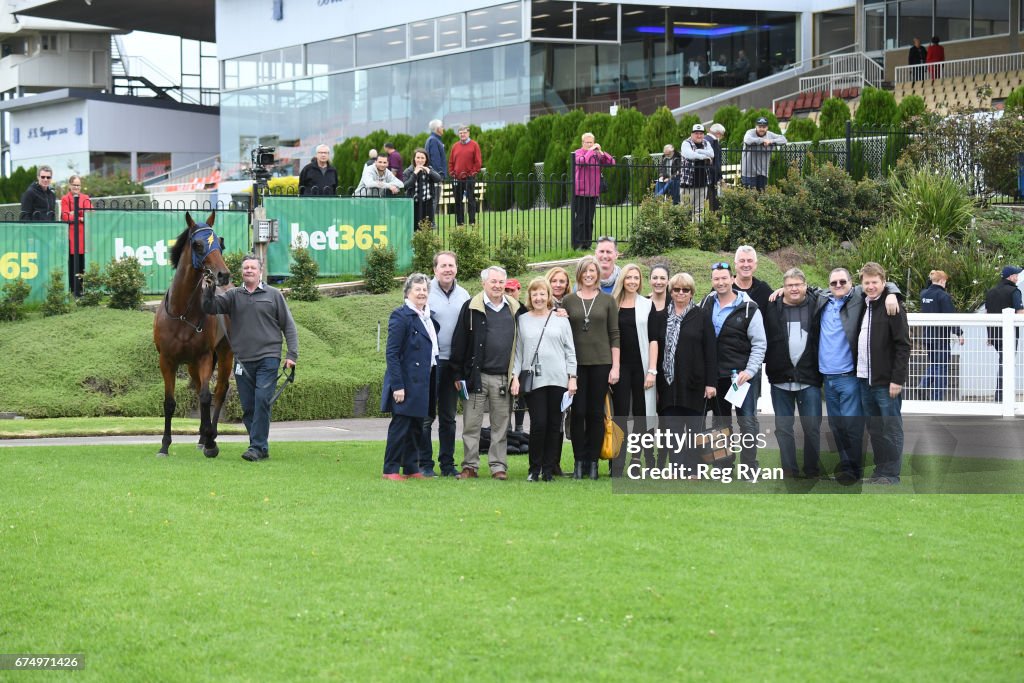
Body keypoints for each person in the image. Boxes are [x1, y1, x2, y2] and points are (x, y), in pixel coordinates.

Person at [201, 254, 298, 462]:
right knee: (248, 407)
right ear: (242, 272)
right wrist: (208, 291)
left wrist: (292, 354)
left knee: (262, 400)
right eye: (245, 268)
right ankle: (261, 446)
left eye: (253, 267)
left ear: (260, 271)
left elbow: (288, 326)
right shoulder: (234, 295)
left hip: (268, 357)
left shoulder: (274, 295)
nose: (249, 271)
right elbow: (210, 308)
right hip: (243, 361)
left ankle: (256, 447)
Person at [811, 268, 900, 483]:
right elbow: (801, 288)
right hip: (827, 378)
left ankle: (856, 472)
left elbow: (880, 284)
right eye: (834, 282)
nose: (839, 285)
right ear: (828, 285)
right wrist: (778, 290)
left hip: (849, 376)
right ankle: (847, 469)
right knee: (837, 426)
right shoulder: (823, 298)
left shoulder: (859, 296)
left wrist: (893, 293)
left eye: (843, 281)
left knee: (853, 426)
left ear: (851, 283)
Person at [450, 266, 522, 480]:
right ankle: (470, 466)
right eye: (493, 282)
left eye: (501, 282)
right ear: (484, 283)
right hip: (476, 378)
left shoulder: (516, 308)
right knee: (471, 424)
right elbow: (459, 341)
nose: (498, 286)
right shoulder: (470, 307)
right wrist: (457, 374)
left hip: (503, 378)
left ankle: (498, 466)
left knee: (501, 426)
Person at [701, 262, 766, 477]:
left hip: (741, 378)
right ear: (712, 281)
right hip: (716, 376)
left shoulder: (749, 308)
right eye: (716, 279)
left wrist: (750, 370)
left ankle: (749, 467)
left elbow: (759, 343)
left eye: (724, 278)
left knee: (747, 422)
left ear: (732, 279)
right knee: (720, 424)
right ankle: (724, 467)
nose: (720, 282)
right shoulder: (706, 304)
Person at [511, 277, 578, 481]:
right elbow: (518, 352)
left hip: (558, 379)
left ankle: (548, 469)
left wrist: (572, 377)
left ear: (548, 296)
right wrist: (515, 377)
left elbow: (570, 351)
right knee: (539, 423)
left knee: (553, 423)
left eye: (542, 293)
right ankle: (534, 468)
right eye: (535, 294)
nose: (539, 298)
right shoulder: (522, 320)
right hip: (534, 380)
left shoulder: (560, 318)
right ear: (530, 296)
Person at [649, 272, 717, 466]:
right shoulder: (661, 317)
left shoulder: (701, 316)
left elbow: (710, 352)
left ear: (691, 292)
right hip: (668, 384)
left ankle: (693, 469)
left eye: (685, 290)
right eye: (676, 289)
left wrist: (711, 383)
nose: (680, 293)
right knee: (672, 430)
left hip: (694, 382)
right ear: (671, 292)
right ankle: (676, 466)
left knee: (695, 430)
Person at [563, 255, 620, 479]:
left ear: (598, 275)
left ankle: (593, 462)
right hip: (575, 365)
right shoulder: (568, 300)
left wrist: (615, 367)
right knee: (578, 413)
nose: (589, 275)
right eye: (585, 271)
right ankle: (579, 461)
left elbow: (615, 335)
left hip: (601, 363)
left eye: (593, 271)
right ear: (579, 274)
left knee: (596, 414)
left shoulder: (607, 301)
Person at [763, 268, 823, 479]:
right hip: (780, 379)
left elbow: (842, 289)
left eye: (798, 284)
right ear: (783, 287)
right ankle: (789, 470)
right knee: (783, 427)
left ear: (806, 286)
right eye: (789, 285)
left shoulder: (818, 303)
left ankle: (812, 470)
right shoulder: (771, 305)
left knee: (812, 428)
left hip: (809, 378)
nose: (794, 289)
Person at [856, 262, 911, 485]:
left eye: (875, 282)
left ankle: (891, 474)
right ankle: (880, 471)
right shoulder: (860, 304)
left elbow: (903, 345)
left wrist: (897, 379)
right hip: (864, 380)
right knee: (876, 429)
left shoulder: (892, 306)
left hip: (886, 382)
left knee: (891, 428)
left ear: (883, 281)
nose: (870, 286)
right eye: (866, 282)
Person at [381, 273, 439, 480]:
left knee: (417, 426)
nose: (422, 292)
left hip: (425, 379)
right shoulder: (401, 316)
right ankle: (390, 469)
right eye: (418, 289)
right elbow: (392, 353)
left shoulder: (428, 317)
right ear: (408, 293)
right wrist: (397, 385)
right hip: (406, 381)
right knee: (401, 426)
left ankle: (411, 467)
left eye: (425, 289)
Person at [421, 251, 471, 477]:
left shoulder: (464, 295)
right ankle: (424, 464)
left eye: (451, 265)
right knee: (427, 416)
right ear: (435, 270)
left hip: (454, 364)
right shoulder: (425, 292)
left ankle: (448, 465)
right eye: (443, 266)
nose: (448, 269)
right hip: (431, 362)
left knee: (449, 417)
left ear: (456, 269)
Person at [610, 264, 658, 470]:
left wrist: (652, 371)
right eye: (628, 277)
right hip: (620, 367)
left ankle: (638, 459)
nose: (632, 281)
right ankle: (618, 462)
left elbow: (654, 340)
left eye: (636, 278)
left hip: (642, 366)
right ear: (622, 279)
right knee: (619, 414)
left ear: (640, 281)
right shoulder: (613, 304)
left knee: (642, 415)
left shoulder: (647, 305)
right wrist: (613, 367)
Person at [919, 270, 964, 401]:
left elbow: (928, 288)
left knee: (934, 364)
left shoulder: (924, 294)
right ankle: (937, 398)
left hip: (927, 336)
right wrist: (959, 333)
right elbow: (950, 316)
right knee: (942, 367)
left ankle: (923, 386)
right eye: (945, 281)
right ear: (942, 281)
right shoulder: (943, 296)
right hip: (940, 337)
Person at [984, 265, 1024, 403]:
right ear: (1011, 276)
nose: (1018, 277)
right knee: (1006, 363)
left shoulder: (991, 291)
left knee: (1003, 361)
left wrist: (989, 335)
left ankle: (1000, 395)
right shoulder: (1014, 291)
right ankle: (1002, 396)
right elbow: (1020, 313)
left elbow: (987, 314)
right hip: (1009, 335)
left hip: (994, 333)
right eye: (1016, 275)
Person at [571, 132, 615, 250]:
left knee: (589, 220)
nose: (590, 144)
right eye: (587, 142)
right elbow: (582, 161)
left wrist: (601, 152)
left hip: (593, 192)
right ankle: (578, 244)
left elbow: (611, 163)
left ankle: (587, 244)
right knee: (580, 219)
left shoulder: (596, 155)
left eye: (591, 142)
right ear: (583, 143)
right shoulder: (577, 153)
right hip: (580, 191)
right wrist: (591, 151)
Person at [60, 174, 92, 295]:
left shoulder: (85, 197)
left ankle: (83, 290)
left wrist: (75, 214)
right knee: (73, 263)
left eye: (78, 185)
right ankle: (74, 290)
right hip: (72, 237)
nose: (76, 187)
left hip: (84, 237)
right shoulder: (65, 199)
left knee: (84, 263)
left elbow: (90, 214)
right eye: (74, 185)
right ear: (70, 185)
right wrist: (81, 217)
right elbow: (65, 216)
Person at [680, 124, 715, 223]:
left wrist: (698, 151)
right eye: (696, 133)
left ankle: (697, 234)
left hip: (702, 183)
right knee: (685, 211)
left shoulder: (706, 142)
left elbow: (712, 154)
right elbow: (690, 155)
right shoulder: (686, 143)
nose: (699, 136)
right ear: (691, 134)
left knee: (699, 211)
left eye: (701, 133)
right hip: (688, 184)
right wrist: (704, 156)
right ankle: (684, 235)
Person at [448, 125, 481, 226]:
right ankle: (460, 221)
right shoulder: (455, 146)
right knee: (458, 200)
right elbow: (451, 162)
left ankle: (472, 221)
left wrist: (473, 173)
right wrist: (452, 173)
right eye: (460, 133)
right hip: (457, 178)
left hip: (469, 177)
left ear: (468, 133)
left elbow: (478, 162)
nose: (462, 134)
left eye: (464, 132)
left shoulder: (474, 145)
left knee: (470, 199)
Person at [505, 278, 527, 434]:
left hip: (522, 356)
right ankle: (507, 426)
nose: (510, 293)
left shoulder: (524, 310)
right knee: (504, 394)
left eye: (512, 290)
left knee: (520, 393)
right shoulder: (500, 308)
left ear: (519, 290)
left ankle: (519, 426)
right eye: (507, 290)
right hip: (504, 356)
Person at [741, 117, 786, 192]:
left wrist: (771, 141)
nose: (762, 129)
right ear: (756, 126)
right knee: (749, 197)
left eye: (764, 127)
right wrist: (763, 141)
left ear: (767, 127)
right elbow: (747, 140)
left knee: (761, 196)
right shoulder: (750, 132)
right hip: (748, 172)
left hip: (763, 172)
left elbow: (784, 139)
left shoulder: (770, 135)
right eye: (759, 127)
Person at [403, 148, 442, 230]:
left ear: (426, 160)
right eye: (418, 157)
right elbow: (405, 186)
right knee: (414, 228)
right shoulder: (408, 171)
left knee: (427, 228)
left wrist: (429, 171)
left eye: (422, 158)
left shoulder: (429, 169)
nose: (420, 160)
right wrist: (414, 174)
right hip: (414, 204)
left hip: (427, 204)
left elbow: (438, 179)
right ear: (414, 159)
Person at [733, 245, 773, 312]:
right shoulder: (725, 288)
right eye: (742, 261)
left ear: (755, 264)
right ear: (735, 264)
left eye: (749, 261)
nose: (746, 265)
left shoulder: (763, 289)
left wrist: (783, 290)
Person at [426, 119, 448, 217]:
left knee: (434, 199)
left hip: (434, 174)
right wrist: (440, 175)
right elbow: (435, 160)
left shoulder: (434, 140)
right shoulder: (434, 140)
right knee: (434, 199)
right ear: (438, 129)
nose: (443, 128)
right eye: (442, 126)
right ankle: (431, 222)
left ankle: (430, 221)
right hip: (435, 176)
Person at [706, 123, 726, 212]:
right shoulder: (713, 142)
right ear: (718, 134)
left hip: (704, 174)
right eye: (722, 135)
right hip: (712, 175)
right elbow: (716, 162)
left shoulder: (704, 139)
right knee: (713, 200)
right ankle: (715, 219)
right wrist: (720, 177)